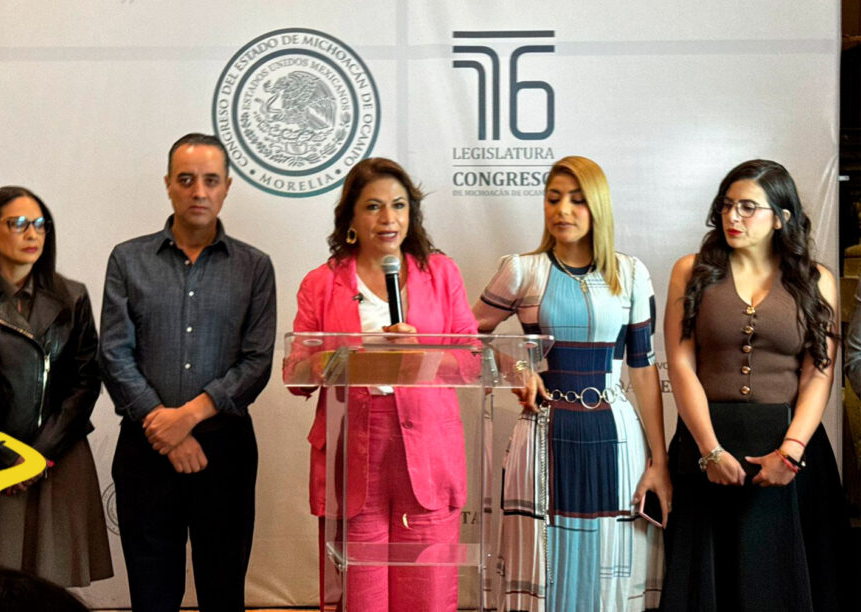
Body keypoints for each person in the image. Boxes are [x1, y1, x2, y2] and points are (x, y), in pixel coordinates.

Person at [473, 156, 669, 612]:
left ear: (598, 206)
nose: (563, 210)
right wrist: (516, 369)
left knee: (611, 569)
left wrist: (659, 462)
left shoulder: (631, 273)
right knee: (540, 563)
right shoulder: (522, 270)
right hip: (543, 436)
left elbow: (642, 368)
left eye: (578, 200)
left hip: (617, 439)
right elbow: (463, 335)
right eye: (554, 198)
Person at [661, 159, 854, 611]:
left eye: (748, 207)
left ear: (781, 218)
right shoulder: (690, 271)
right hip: (706, 449)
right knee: (707, 588)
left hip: (791, 455)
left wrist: (791, 452)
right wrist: (709, 451)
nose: (733, 216)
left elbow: (818, 372)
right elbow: (681, 365)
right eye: (727, 205)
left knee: (784, 582)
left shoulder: (816, 280)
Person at [291, 157, 478, 612]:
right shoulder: (321, 283)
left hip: (428, 450)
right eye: (373, 206)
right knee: (362, 595)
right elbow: (295, 374)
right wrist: (340, 361)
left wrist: (422, 356)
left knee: (426, 592)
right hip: (353, 449)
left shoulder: (441, 273)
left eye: (398, 205)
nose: (388, 218)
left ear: (412, 213)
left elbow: (473, 360)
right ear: (352, 219)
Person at [99, 133, 277, 612]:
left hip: (226, 451)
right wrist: (165, 429)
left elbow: (257, 361)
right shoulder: (127, 259)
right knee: (152, 596)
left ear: (227, 187)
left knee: (223, 593)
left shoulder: (255, 267)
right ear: (168, 185)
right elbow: (113, 353)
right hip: (146, 448)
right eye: (186, 179)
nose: (199, 191)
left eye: (211, 180)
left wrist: (189, 417)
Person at [0, 186, 112, 586]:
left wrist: (39, 455)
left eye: (40, 225)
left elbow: (85, 381)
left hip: (58, 453)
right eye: (19, 223)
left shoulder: (72, 296)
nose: (32, 234)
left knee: (54, 581)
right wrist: (6, 454)